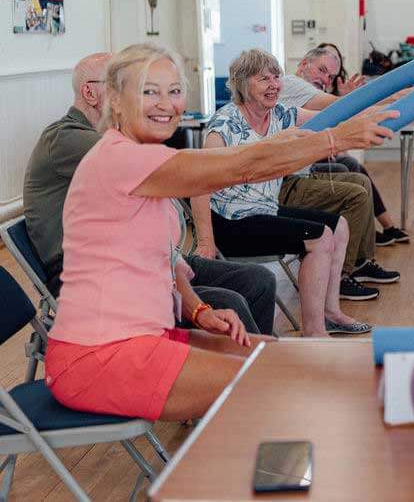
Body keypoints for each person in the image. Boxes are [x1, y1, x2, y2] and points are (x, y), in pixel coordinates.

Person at [44, 43, 397, 423]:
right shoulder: (122, 158)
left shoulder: (142, 155)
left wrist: (197, 308)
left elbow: (164, 257)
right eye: (149, 91)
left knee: (279, 356)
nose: (166, 103)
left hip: (147, 335)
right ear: (115, 99)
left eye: (174, 91)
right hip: (99, 354)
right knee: (275, 383)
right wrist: (336, 139)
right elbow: (243, 165)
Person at [22, 52, 277, 335]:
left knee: (259, 280)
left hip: (142, 257)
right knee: (229, 303)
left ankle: (260, 369)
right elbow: (167, 169)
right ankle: (253, 374)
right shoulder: (65, 138)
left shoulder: (112, 138)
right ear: (90, 93)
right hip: (95, 275)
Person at [197, 50, 392, 306]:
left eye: (276, 77)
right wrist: (205, 241)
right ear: (244, 84)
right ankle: (316, 327)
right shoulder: (224, 125)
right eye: (264, 79)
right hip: (233, 221)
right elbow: (199, 183)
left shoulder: (280, 113)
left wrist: (386, 109)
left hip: (266, 210)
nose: (274, 85)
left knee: (339, 226)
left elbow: (334, 120)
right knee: (320, 235)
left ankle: (332, 312)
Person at [278, 45, 410, 247]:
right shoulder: (293, 84)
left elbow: (340, 112)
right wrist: (392, 98)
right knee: (355, 188)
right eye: (322, 70)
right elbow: (340, 108)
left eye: (330, 76)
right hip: (287, 179)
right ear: (304, 63)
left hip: (298, 171)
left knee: (356, 177)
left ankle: (364, 253)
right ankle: (354, 262)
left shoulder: (305, 94)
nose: (325, 80)